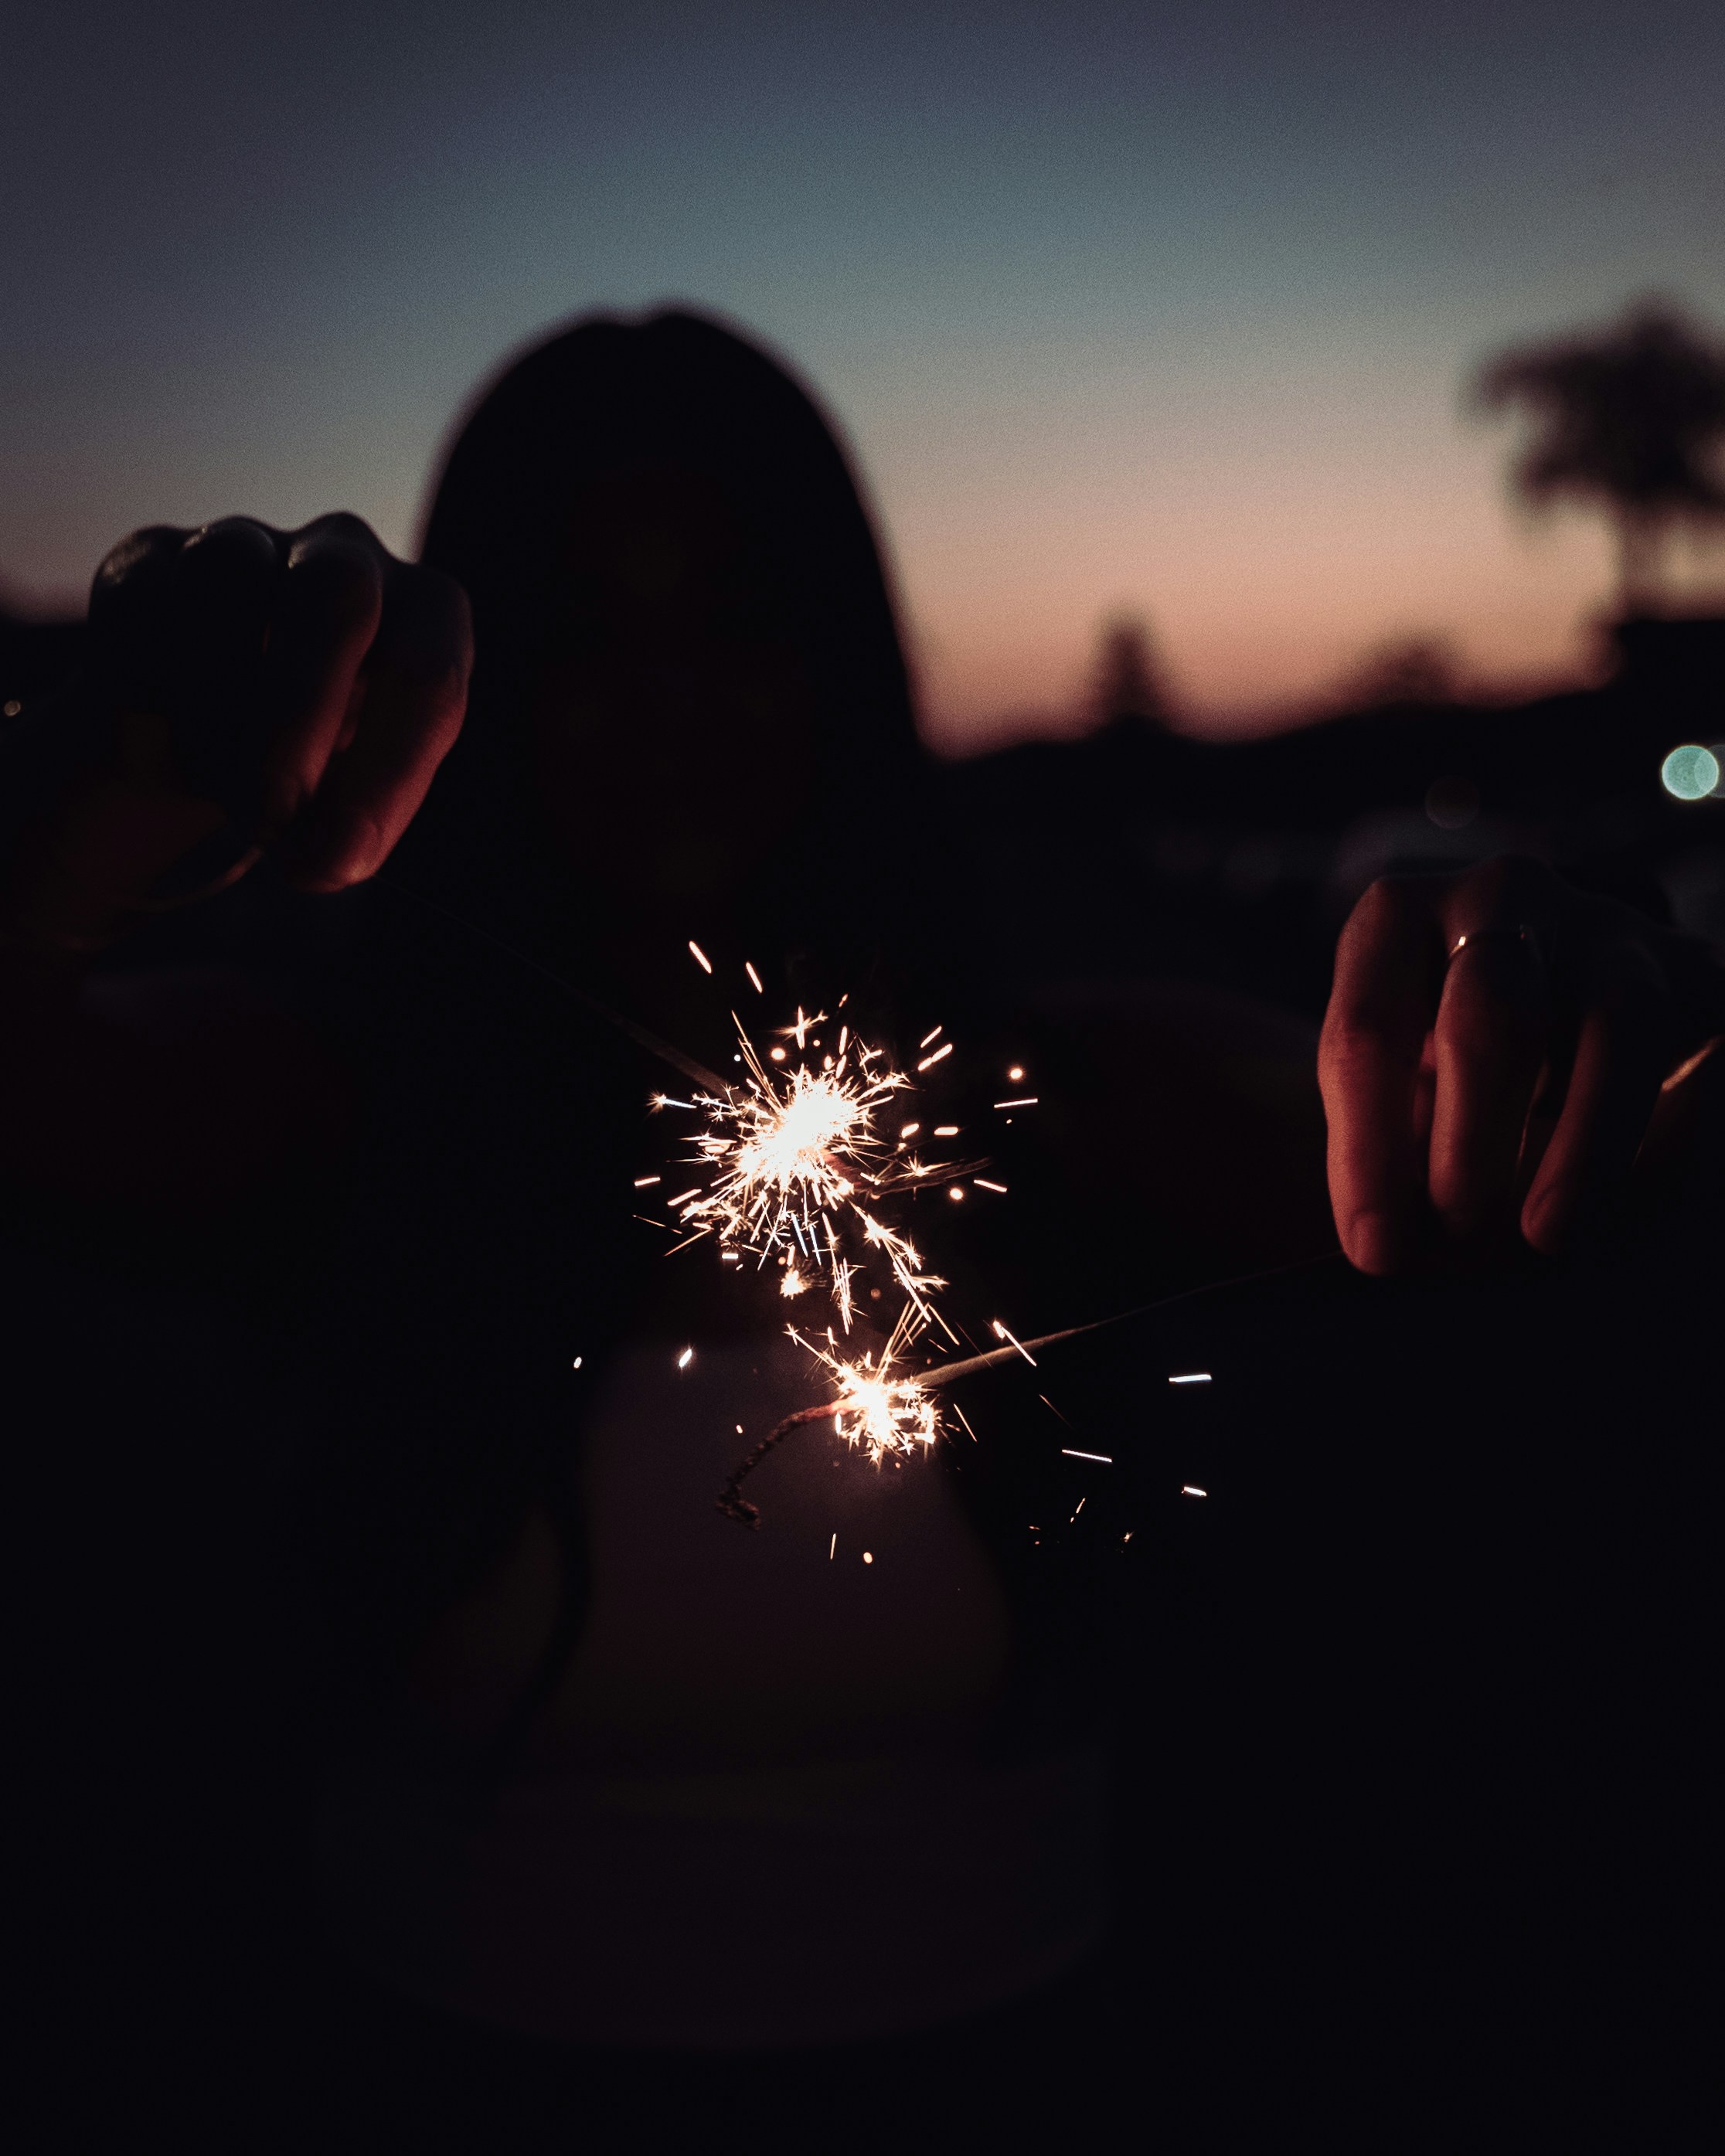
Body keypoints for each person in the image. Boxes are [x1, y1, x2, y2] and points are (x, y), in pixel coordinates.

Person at [2, 309, 1720, 2133]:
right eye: (588, 631)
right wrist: (83, 808)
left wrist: (1592, 1046)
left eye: (736, 612)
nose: (669, 699)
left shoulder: (1069, 1099)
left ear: (842, 655)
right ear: (468, 696)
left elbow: (1477, 1143)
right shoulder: (320, 1112)